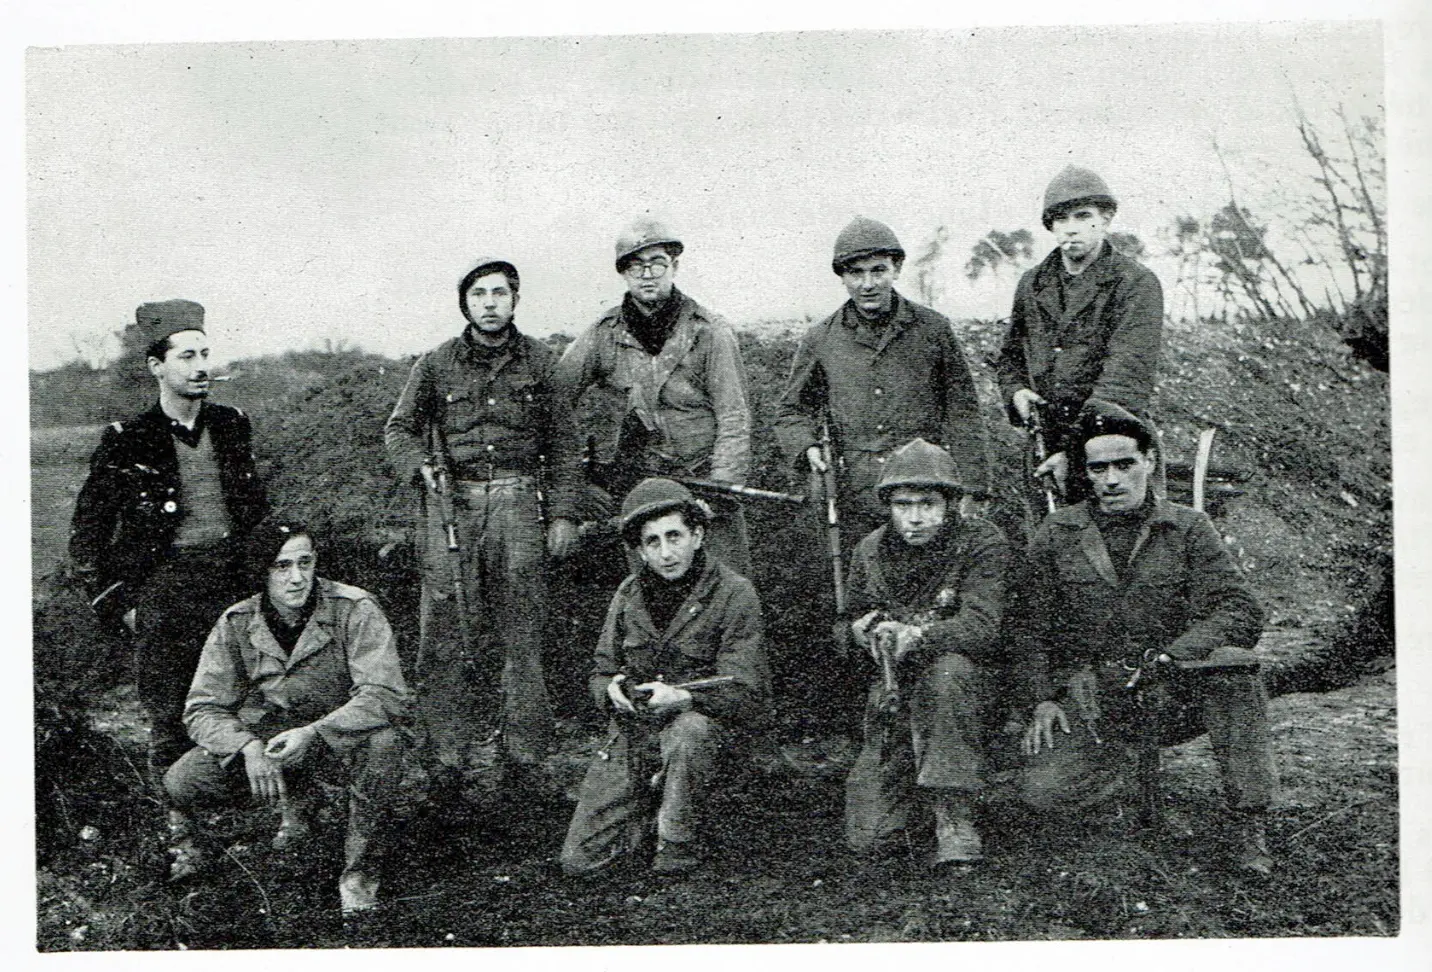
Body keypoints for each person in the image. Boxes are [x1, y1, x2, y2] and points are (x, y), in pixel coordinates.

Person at [1010, 403, 1277, 877]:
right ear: (1084, 473)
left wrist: (1175, 657)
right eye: (1098, 468)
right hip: (1097, 697)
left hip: (1174, 688)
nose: (1112, 480)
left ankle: (1248, 821)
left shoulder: (1188, 528)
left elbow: (1240, 609)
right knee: (1042, 794)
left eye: (1124, 464)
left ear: (1149, 462)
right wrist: (1043, 699)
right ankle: (1128, 776)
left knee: (1233, 667)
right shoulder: (1057, 533)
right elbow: (1028, 625)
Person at [384, 257, 581, 801]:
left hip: (519, 503)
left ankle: (525, 762)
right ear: (465, 303)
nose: (490, 303)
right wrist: (419, 466)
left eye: (500, 293)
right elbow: (399, 429)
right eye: (479, 294)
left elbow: (565, 443)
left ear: (515, 300)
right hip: (452, 505)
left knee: (523, 633)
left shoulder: (542, 363)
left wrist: (563, 515)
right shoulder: (435, 363)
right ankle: (444, 765)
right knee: (442, 631)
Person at [163, 521, 412, 914]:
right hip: (275, 741)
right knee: (183, 780)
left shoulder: (355, 608)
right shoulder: (238, 622)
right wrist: (246, 747)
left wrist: (315, 733)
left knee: (384, 744)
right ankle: (290, 812)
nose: (296, 579)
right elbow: (201, 707)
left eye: (305, 563)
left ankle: (359, 876)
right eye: (281, 566)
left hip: (341, 736)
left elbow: (386, 694)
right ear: (261, 571)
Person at [69, 299, 269, 779]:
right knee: (171, 714)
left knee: (253, 700)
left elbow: (256, 512)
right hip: (166, 589)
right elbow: (88, 532)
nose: (202, 367)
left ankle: (255, 809)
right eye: (187, 357)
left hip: (234, 581)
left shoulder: (230, 424)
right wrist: (120, 603)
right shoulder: (127, 439)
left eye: (205, 354)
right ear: (156, 366)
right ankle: (183, 834)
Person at [560, 478, 772, 877]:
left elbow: (746, 689)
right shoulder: (628, 595)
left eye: (674, 536)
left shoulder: (734, 593)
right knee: (579, 862)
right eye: (652, 542)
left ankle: (677, 845)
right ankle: (650, 817)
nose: (666, 552)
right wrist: (611, 690)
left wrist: (685, 699)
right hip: (639, 733)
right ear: (640, 550)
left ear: (697, 535)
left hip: (711, 738)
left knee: (689, 732)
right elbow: (601, 668)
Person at [843, 439, 1010, 865]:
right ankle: (921, 798)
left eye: (928, 504)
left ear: (951, 503)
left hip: (969, 691)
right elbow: (849, 617)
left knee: (948, 672)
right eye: (902, 505)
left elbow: (983, 626)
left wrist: (917, 636)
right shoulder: (870, 550)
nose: (914, 518)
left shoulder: (981, 542)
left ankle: (954, 815)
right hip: (896, 696)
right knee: (870, 838)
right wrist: (860, 632)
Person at [554, 219, 754, 573]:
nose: (647, 274)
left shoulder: (709, 333)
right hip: (639, 492)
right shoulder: (603, 335)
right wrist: (578, 484)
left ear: (674, 266)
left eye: (657, 263)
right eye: (635, 265)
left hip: (702, 484)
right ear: (623, 273)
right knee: (650, 596)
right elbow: (554, 400)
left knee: (724, 590)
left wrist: (717, 494)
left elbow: (734, 417)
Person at [775, 215, 989, 543]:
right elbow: (792, 411)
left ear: (897, 270)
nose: (868, 284)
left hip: (925, 489)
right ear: (843, 277)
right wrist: (806, 447)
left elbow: (963, 411)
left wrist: (972, 487)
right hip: (857, 494)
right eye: (855, 273)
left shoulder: (932, 329)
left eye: (878, 270)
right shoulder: (821, 339)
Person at [994, 166, 1164, 506]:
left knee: (1123, 550)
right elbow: (1010, 359)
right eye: (1059, 219)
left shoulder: (1135, 283)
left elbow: (1123, 384)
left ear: (1106, 218)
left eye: (1082, 216)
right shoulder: (1032, 284)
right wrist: (1016, 393)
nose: (1070, 228)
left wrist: (1073, 457)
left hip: (1115, 450)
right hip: (1045, 448)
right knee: (1051, 548)